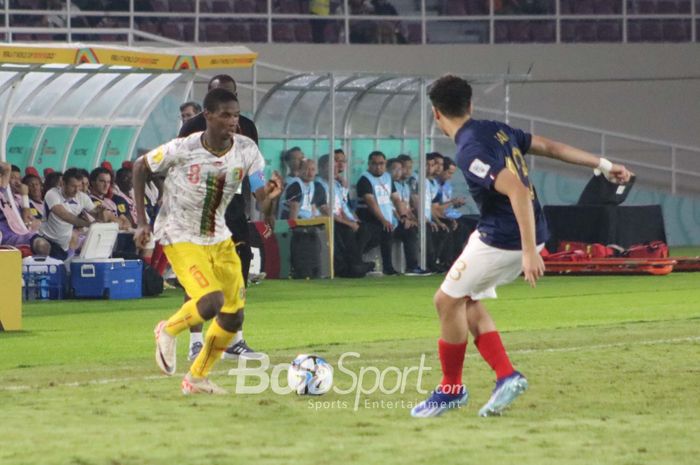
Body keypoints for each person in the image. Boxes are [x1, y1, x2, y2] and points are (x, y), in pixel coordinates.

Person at [411, 75, 632, 418]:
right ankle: (505, 376)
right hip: (512, 231)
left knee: (445, 300)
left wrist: (529, 251)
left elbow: (517, 190)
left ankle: (452, 389)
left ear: (436, 113)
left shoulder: (470, 150)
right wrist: (603, 165)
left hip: (506, 238)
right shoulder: (494, 129)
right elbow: (549, 146)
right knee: (465, 301)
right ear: (470, 106)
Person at [134, 88, 282, 395]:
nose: (232, 121)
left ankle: (197, 378)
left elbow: (260, 200)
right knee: (211, 301)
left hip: (218, 236)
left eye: (236, 114)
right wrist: (141, 222)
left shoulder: (247, 149)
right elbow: (140, 167)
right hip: (179, 233)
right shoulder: (183, 147)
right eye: (226, 115)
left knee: (233, 315)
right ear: (208, 116)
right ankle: (168, 329)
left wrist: (269, 198)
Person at [178, 74, 264, 362]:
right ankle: (194, 342)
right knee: (198, 278)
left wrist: (259, 200)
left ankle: (234, 340)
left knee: (236, 274)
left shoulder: (248, 127)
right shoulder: (191, 128)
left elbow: (253, 167)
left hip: (234, 208)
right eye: (220, 96)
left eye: (231, 97)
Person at [39, 168, 110, 260]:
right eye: (73, 186)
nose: (77, 190)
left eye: (79, 186)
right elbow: (65, 215)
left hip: (65, 241)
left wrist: (101, 213)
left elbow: (99, 218)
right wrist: (88, 224)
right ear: (63, 184)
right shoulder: (52, 194)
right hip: (46, 237)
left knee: (74, 237)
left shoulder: (82, 197)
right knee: (41, 245)